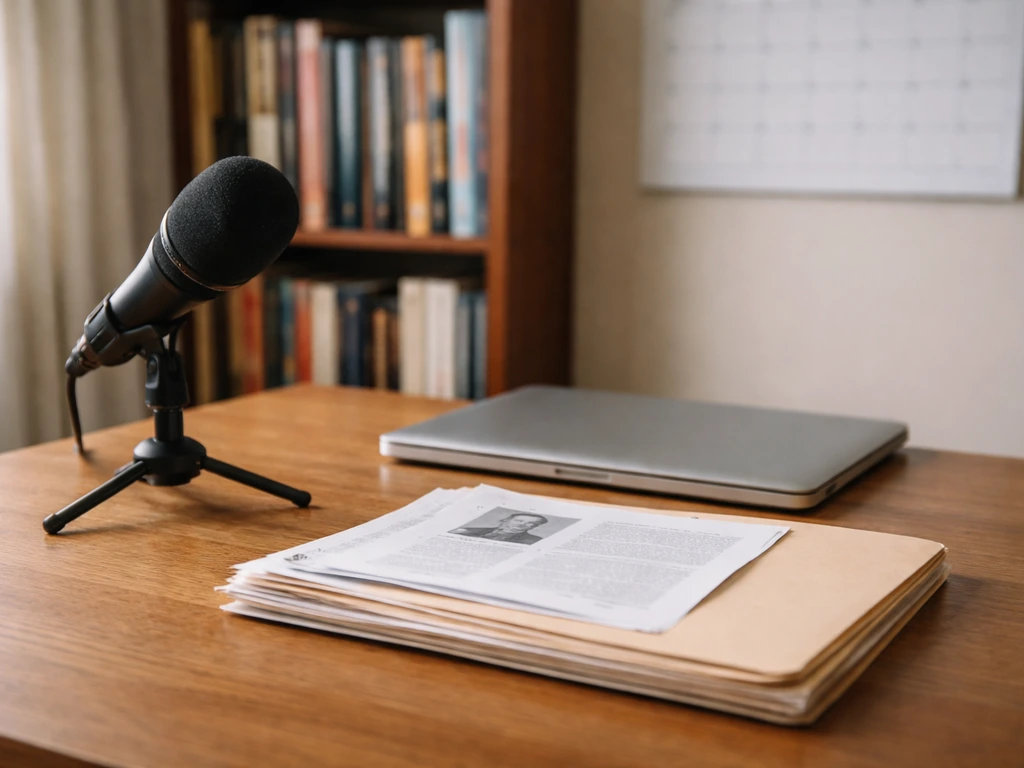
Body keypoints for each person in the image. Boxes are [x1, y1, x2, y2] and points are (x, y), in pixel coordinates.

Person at [451, 512, 549, 545]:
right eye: (519, 521)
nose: (522, 525)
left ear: (534, 526)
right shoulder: (465, 530)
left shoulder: (533, 541)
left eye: (530, 523)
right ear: (505, 520)